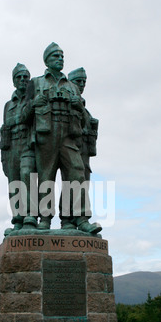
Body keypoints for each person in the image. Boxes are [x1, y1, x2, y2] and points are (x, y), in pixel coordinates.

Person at [23, 43, 102, 234]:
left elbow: (85, 121)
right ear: (47, 60)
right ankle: (45, 219)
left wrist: (79, 107)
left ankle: (82, 218)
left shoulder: (72, 87)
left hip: (69, 137)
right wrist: (34, 104)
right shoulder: (36, 83)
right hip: (46, 136)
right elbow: (25, 116)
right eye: (55, 56)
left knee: (77, 175)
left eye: (61, 56)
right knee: (46, 178)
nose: (60, 59)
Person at [0, 63, 36, 234]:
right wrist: (3, 157)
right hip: (12, 146)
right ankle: (18, 220)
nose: (23, 80)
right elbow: (4, 129)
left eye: (25, 77)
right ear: (14, 81)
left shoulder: (32, 99)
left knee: (27, 175)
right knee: (14, 183)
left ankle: (30, 215)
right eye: (19, 77)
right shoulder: (8, 105)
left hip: (27, 143)